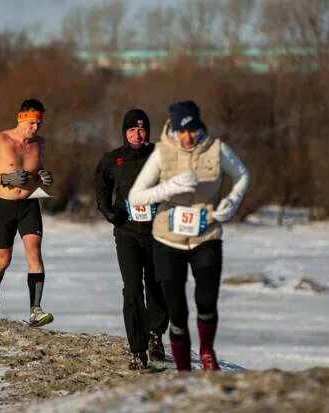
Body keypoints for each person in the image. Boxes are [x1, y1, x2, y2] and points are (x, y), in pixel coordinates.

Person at [128, 100, 249, 371]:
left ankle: (207, 352)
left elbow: (241, 174)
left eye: (192, 130)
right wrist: (168, 187)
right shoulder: (161, 153)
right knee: (177, 312)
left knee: (206, 301)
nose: (187, 137)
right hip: (167, 240)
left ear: (199, 126)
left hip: (206, 235)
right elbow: (136, 197)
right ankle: (184, 370)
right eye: (182, 132)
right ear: (173, 129)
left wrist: (233, 201)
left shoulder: (216, 150)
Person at [94, 109, 169, 370]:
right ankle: (138, 350)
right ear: (125, 133)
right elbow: (101, 185)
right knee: (133, 289)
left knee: (158, 285)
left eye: (142, 129)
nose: (137, 134)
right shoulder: (113, 160)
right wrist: (107, 210)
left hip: (158, 233)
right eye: (132, 130)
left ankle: (155, 334)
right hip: (127, 232)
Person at [0, 98, 55, 327]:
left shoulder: (40, 144)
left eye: (39, 123)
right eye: (32, 123)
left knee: (34, 251)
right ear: (21, 119)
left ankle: (35, 311)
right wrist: (4, 178)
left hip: (29, 204)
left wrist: (43, 177)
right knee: (3, 259)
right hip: (2, 206)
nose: (36, 128)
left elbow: (36, 173)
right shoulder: (0, 140)